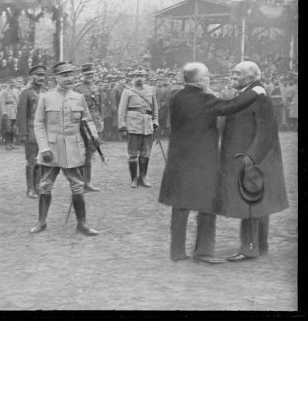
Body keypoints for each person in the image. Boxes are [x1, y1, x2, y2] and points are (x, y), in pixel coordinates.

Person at [158, 63, 267, 263]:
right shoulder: (205, 99)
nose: (209, 78)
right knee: (207, 205)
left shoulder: (176, 97)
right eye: (207, 76)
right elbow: (230, 107)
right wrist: (256, 92)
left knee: (180, 206)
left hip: (179, 161)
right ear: (200, 81)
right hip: (203, 161)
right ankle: (204, 251)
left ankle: (177, 251)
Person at [216, 61, 289, 261]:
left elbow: (265, 132)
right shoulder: (248, 94)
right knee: (257, 203)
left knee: (250, 203)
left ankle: (249, 248)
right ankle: (260, 245)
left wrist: (251, 159)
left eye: (237, 73)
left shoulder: (258, 97)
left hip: (253, 160)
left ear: (250, 78)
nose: (233, 75)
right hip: (252, 158)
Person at [32, 61, 99, 236]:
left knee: (77, 185)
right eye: (65, 75)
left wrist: (94, 137)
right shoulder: (45, 98)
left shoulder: (79, 97)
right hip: (51, 148)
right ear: (56, 78)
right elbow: (38, 125)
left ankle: (82, 224)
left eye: (71, 75)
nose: (69, 78)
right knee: (45, 185)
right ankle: (41, 222)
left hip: (73, 147)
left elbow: (88, 120)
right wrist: (44, 147)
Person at [118, 69, 159, 187]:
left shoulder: (151, 90)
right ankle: (133, 179)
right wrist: (122, 126)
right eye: (136, 75)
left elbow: (155, 109)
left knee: (145, 153)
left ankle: (143, 177)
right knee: (133, 154)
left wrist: (156, 121)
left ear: (145, 77)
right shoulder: (127, 91)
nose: (139, 78)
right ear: (132, 77)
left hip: (148, 125)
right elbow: (122, 110)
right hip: (133, 125)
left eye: (141, 75)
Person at [16, 64, 47, 199]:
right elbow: (21, 114)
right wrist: (23, 133)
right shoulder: (26, 93)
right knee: (32, 161)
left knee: (42, 160)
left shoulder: (46, 92)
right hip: (31, 131)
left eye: (43, 75)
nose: (41, 78)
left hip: (44, 132)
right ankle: (30, 188)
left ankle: (38, 186)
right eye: (38, 75)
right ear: (31, 77)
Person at [74, 63, 103, 191]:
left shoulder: (96, 87)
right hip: (83, 124)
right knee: (83, 154)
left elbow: (99, 106)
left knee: (91, 152)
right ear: (83, 75)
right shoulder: (77, 89)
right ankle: (81, 182)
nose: (90, 76)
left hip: (95, 123)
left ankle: (88, 182)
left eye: (91, 74)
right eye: (87, 74)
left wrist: (100, 122)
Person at [0, 78, 20, 150]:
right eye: (12, 83)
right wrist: (4, 112)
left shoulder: (16, 91)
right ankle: (7, 144)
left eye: (14, 83)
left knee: (14, 129)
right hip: (8, 111)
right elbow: (2, 103)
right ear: (9, 83)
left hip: (15, 111)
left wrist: (18, 110)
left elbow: (18, 101)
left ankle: (12, 143)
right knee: (8, 129)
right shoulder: (4, 91)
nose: (13, 84)